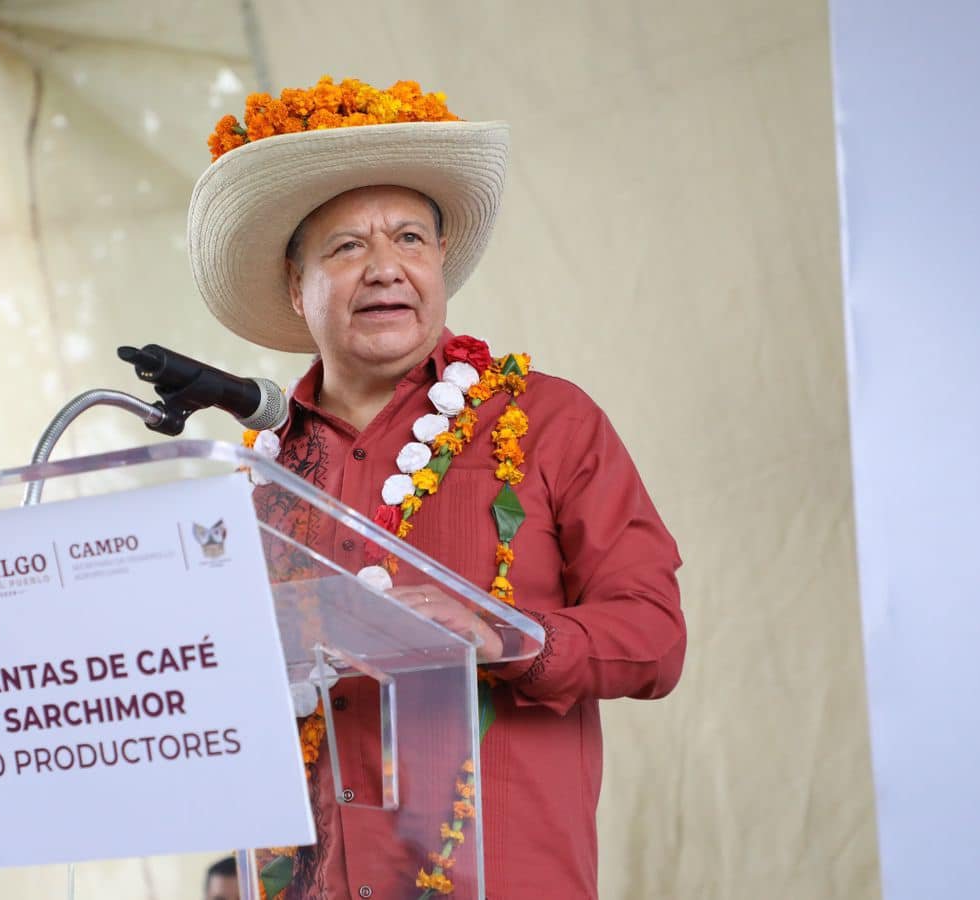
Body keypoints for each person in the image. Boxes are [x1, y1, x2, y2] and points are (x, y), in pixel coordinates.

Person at [189, 78, 685, 899]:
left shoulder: (546, 420)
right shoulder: (260, 477)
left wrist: (503, 636)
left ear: (440, 260)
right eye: (347, 247)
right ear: (295, 285)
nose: (385, 267)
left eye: (410, 238)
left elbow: (656, 637)